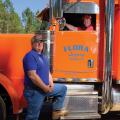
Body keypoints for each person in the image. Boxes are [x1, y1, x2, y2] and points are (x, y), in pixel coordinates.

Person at [23, 34, 67, 120]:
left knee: (62, 89)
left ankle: (56, 112)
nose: (39, 44)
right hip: (35, 91)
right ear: (32, 44)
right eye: (37, 42)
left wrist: (51, 83)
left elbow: (47, 72)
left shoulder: (43, 57)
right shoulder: (30, 56)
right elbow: (32, 76)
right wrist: (45, 88)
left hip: (45, 88)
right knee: (33, 117)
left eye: (41, 42)